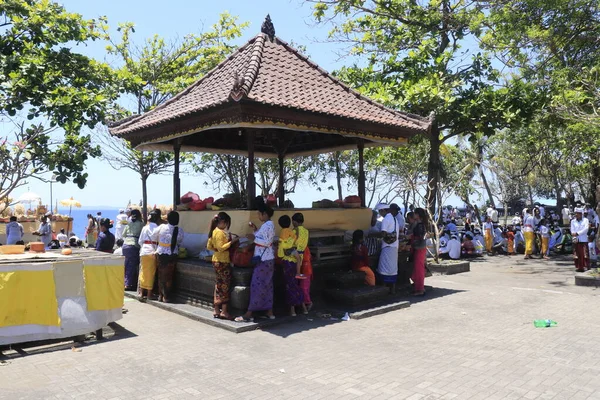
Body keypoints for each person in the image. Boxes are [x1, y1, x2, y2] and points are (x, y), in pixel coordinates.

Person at [235, 203, 276, 322]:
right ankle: (269, 311)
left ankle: (250, 312)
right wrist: (255, 230)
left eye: (259, 213)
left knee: (257, 285)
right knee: (267, 285)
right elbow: (263, 238)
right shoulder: (267, 225)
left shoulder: (268, 225)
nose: (258, 215)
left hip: (264, 260)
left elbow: (266, 242)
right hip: (267, 259)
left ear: (265, 214)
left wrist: (253, 238)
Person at [207, 212, 238, 319]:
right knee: (225, 285)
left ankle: (216, 309)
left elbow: (209, 246)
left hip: (215, 259)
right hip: (223, 261)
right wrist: (232, 242)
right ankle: (224, 311)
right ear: (223, 222)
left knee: (218, 284)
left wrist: (216, 249)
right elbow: (221, 247)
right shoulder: (220, 233)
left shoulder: (213, 231)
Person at [151, 211, 184, 303]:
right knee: (169, 276)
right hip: (173, 253)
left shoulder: (161, 227)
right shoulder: (180, 230)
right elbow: (180, 242)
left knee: (161, 275)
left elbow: (153, 236)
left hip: (161, 252)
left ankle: (160, 295)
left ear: (167, 219)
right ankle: (166, 296)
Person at [277, 215, 306, 316]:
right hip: (300, 259)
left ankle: (293, 310)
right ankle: (304, 308)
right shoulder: (306, 231)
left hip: (290, 259)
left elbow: (287, 246)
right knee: (297, 284)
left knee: (290, 285)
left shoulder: (291, 231)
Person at [375, 203, 399, 294]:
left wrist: (371, 235)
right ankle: (392, 289)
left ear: (382, 211)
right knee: (393, 269)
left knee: (384, 268)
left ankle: (383, 289)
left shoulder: (386, 219)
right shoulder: (395, 219)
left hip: (387, 246)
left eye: (380, 212)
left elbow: (383, 234)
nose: (380, 214)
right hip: (394, 247)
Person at [138, 209, 161, 300]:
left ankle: (141, 292)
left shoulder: (145, 228)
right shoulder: (158, 229)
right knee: (151, 273)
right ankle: (149, 294)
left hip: (144, 251)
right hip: (153, 251)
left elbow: (140, 241)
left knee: (143, 271)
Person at [292, 213, 312, 311]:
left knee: (296, 280)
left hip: (295, 256)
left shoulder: (295, 230)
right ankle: (304, 303)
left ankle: (299, 302)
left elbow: (291, 242)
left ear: (295, 221)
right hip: (303, 256)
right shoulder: (306, 231)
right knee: (302, 280)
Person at [122, 209, 143, 291]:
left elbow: (123, 234)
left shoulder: (128, 224)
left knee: (126, 265)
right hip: (134, 245)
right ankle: (128, 284)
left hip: (125, 245)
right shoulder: (141, 224)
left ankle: (124, 282)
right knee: (132, 265)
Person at [411, 208, 428, 296]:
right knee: (418, 268)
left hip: (419, 248)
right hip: (420, 247)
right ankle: (419, 287)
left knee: (419, 269)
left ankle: (420, 289)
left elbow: (420, 237)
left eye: (414, 213)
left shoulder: (420, 225)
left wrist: (412, 241)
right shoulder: (420, 224)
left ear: (417, 215)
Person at [571, 208, 589, 272]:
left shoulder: (585, 220)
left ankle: (585, 266)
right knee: (577, 254)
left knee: (584, 253)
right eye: (576, 213)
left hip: (583, 239)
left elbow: (586, 229)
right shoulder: (573, 221)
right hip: (576, 239)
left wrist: (578, 233)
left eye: (578, 213)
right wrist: (573, 234)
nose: (576, 214)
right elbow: (572, 229)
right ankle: (579, 267)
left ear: (581, 214)